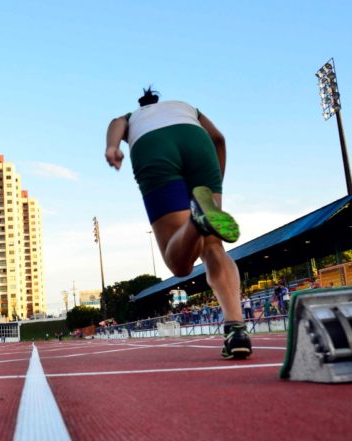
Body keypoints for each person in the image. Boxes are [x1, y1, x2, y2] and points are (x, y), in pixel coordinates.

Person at [105, 87, 251, 359]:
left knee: (180, 266)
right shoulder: (185, 106)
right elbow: (218, 138)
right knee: (213, 247)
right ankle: (236, 330)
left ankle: (197, 221)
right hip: (197, 141)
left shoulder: (134, 116)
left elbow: (117, 123)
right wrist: (216, 184)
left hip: (153, 146)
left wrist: (112, 147)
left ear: (141, 104)